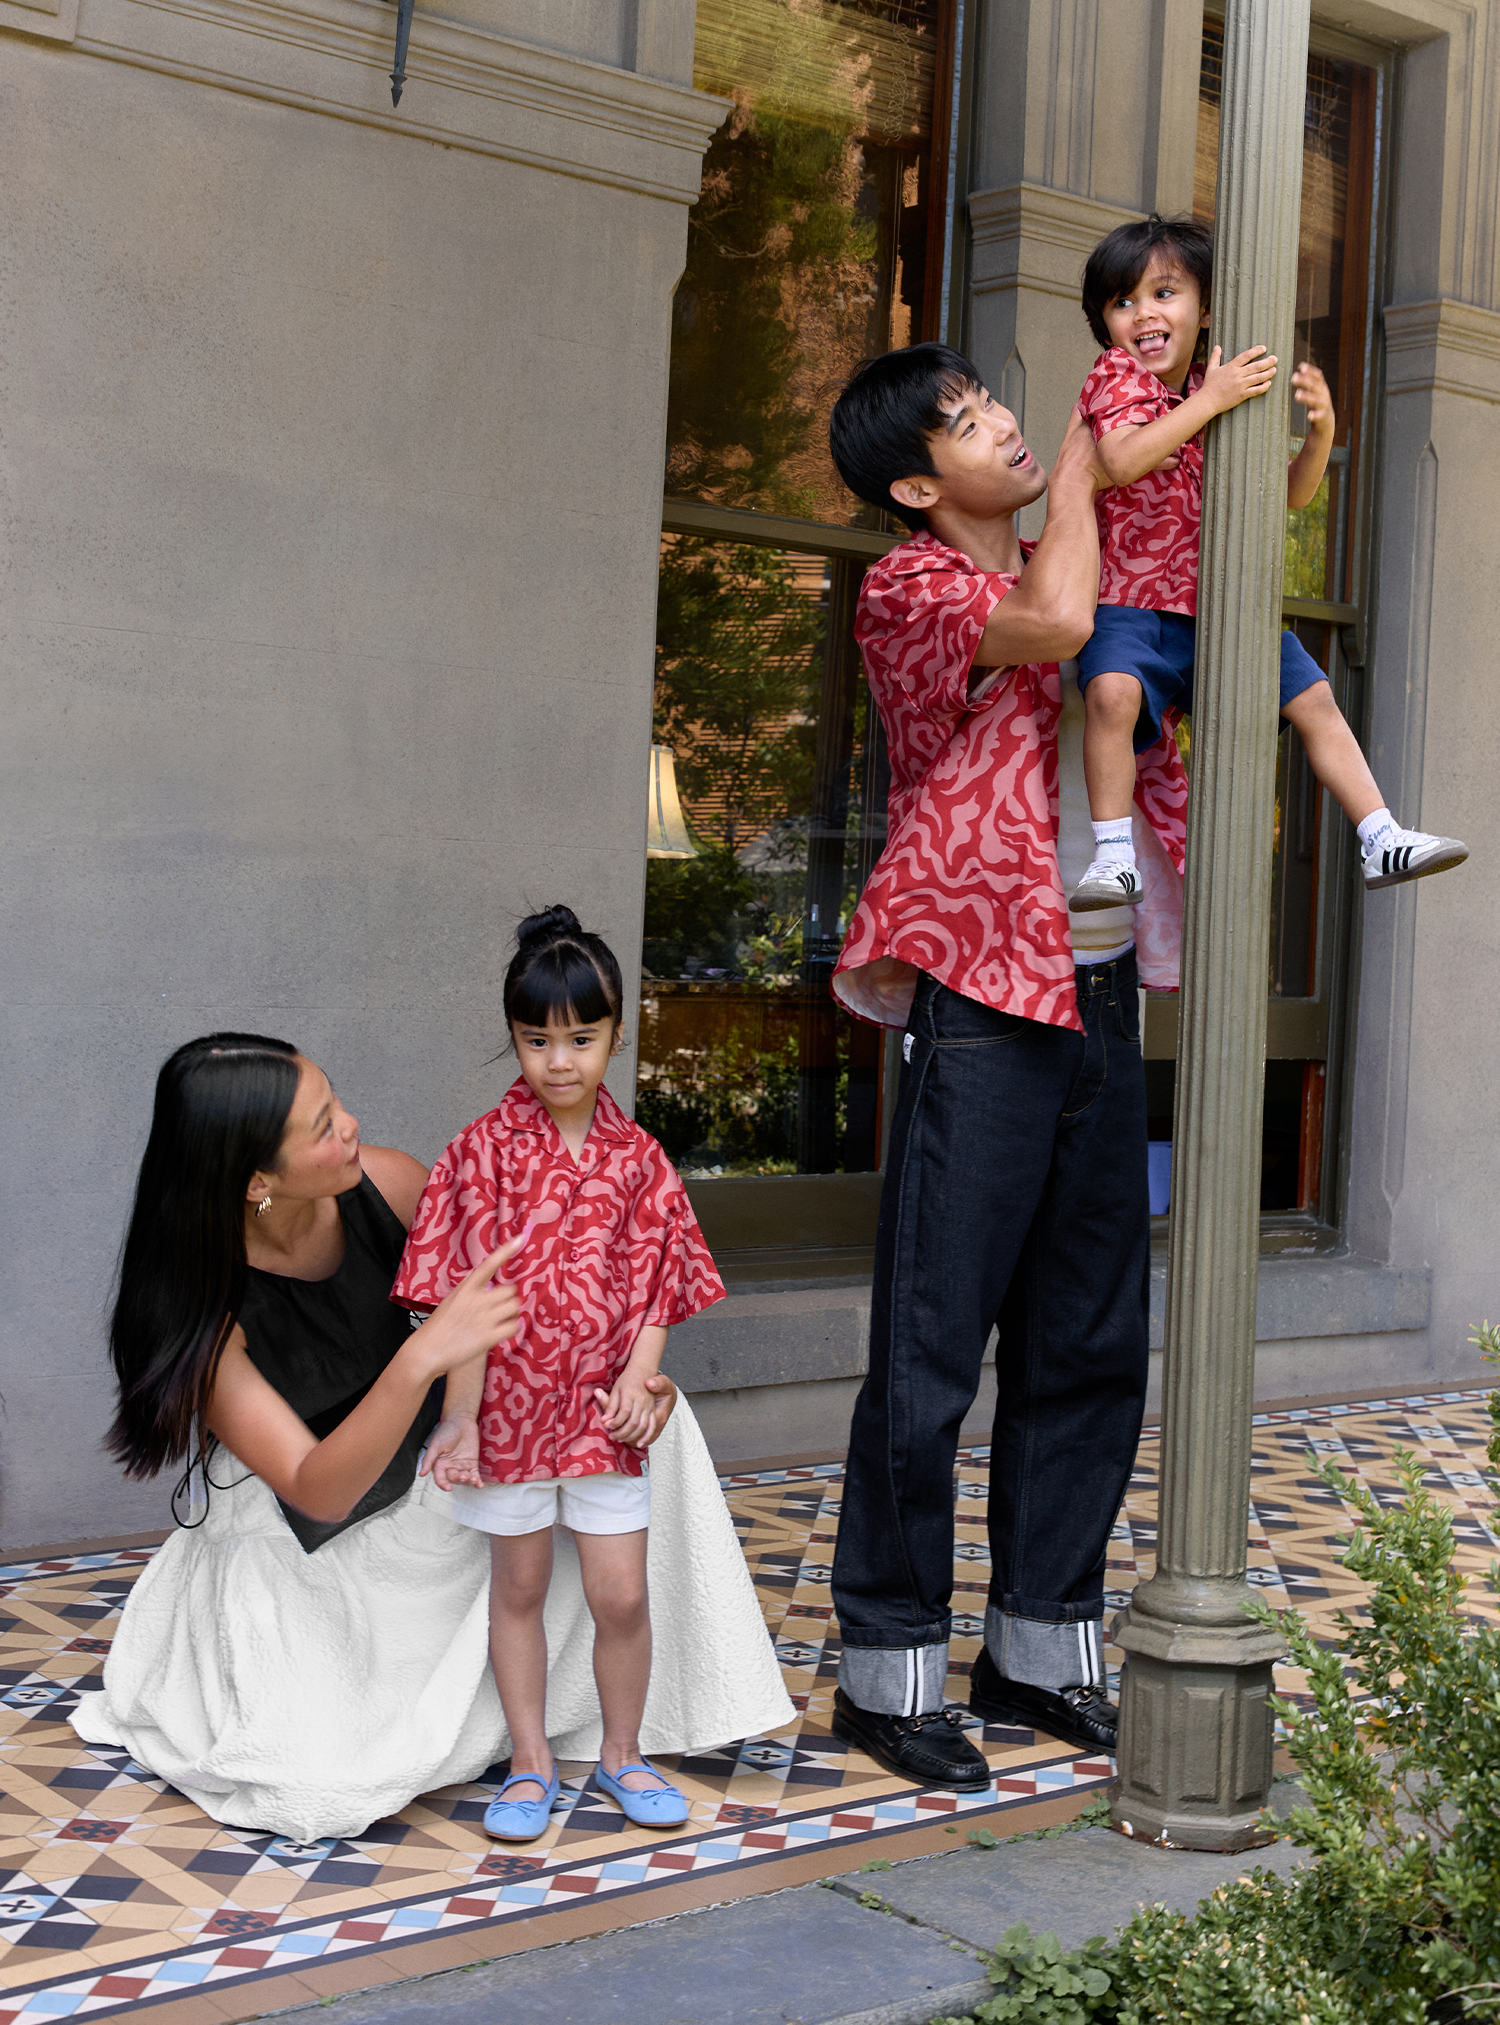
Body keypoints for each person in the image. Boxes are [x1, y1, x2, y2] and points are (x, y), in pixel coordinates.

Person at [72, 1031, 791, 1842]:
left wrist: (635, 1380)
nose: (351, 1124)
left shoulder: (388, 1182)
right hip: (311, 1525)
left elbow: (563, 1298)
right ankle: (490, 1723)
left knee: (643, 1427)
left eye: (336, 1102)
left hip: (438, 1456)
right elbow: (315, 1487)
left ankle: (626, 1725)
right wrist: (423, 1356)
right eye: (323, 1126)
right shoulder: (200, 1311)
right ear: (255, 1182)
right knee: (317, 1785)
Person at [823, 341, 1177, 1790]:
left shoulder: (1059, 541)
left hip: (1097, 989)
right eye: (967, 423)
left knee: (1089, 1338)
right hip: (980, 995)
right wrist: (1092, 451)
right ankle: (889, 1673)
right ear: (918, 485)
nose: (1006, 427)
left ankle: (1039, 1646)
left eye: (992, 402)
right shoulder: (910, 588)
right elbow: (1056, 621)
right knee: (931, 1348)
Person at [391, 907, 745, 1842]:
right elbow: (462, 1299)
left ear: (616, 1034)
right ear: (513, 1036)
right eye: (537, 1039)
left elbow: (661, 1277)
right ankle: (530, 1761)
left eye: (581, 1039)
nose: (558, 1061)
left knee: (619, 1592)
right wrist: (460, 1417)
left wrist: (643, 1375)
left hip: (603, 1416)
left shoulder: (640, 1159)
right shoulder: (478, 1153)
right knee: (518, 1589)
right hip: (507, 1411)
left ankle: (623, 1753)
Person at [1067, 212, 1466, 912]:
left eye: (1164, 293)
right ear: (1105, 322)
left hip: (1221, 605)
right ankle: (1113, 854)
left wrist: (1321, 434)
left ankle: (1380, 835)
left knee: (1314, 698)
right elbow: (1122, 459)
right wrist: (1211, 400)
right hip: (1129, 599)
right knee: (1111, 695)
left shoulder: (1217, 383)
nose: (1143, 313)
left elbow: (1289, 494)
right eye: (1122, 301)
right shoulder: (1118, 375)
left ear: (1206, 308)